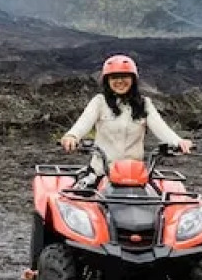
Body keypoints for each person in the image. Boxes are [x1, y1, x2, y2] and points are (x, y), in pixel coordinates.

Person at [60, 55, 192, 185]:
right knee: (84, 202)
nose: (119, 81)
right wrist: (72, 136)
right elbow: (84, 122)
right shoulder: (100, 102)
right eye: (114, 77)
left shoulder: (144, 104)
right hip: (101, 172)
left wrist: (178, 142)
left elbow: (160, 127)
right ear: (107, 81)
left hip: (134, 174)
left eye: (124, 76)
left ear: (133, 79)